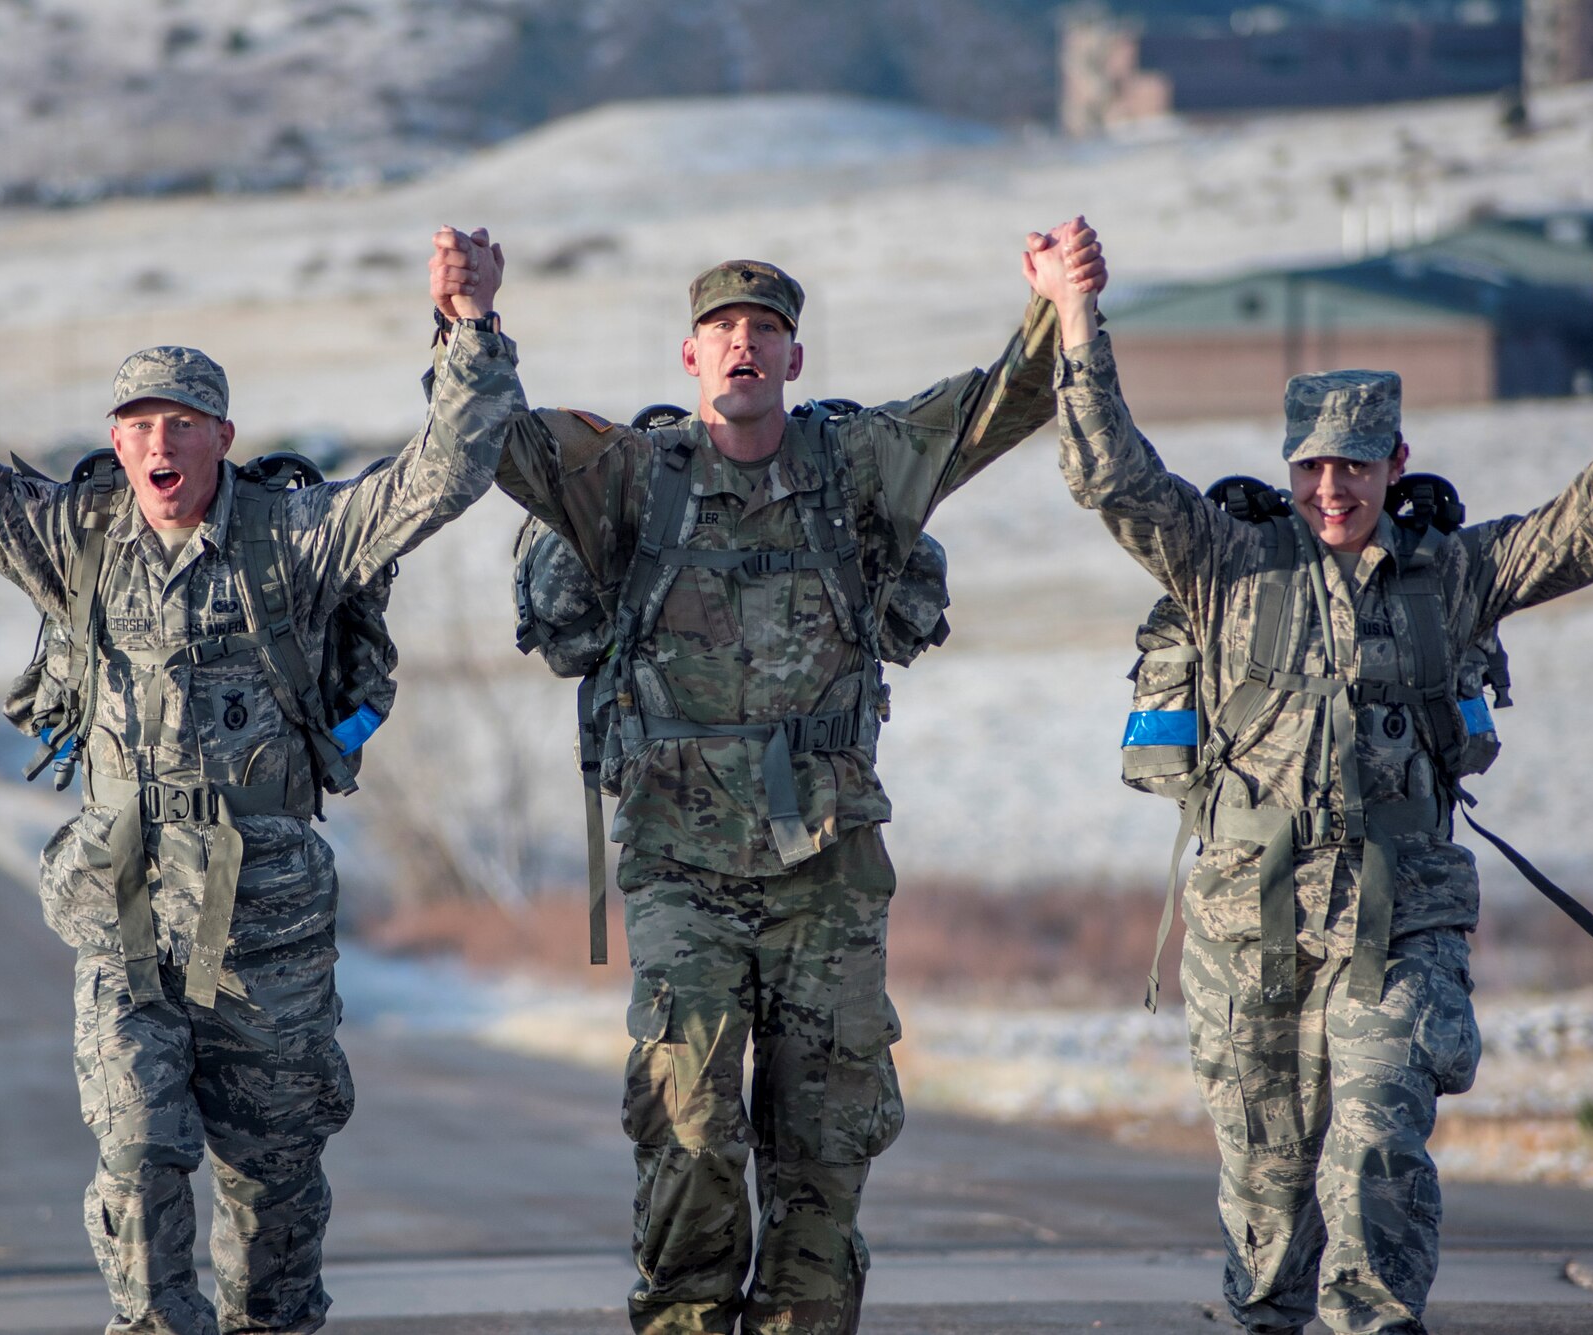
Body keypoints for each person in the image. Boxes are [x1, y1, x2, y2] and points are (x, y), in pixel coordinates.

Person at [0, 239, 525, 1335]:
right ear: (115, 441)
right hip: (125, 909)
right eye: (140, 424)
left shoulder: (293, 539)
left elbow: (441, 474)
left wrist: (468, 331)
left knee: (271, 1183)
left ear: (222, 441)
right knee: (139, 1151)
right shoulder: (76, 541)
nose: (160, 442)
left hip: (268, 920)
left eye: (183, 423)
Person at [445, 221, 1105, 1334]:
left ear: (794, 360)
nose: (742, 345)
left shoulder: (859, 469)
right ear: (689, 359)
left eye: (764, 330)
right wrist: (468, 321)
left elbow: (1003, 404)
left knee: (823, 1150)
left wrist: (1062, 303)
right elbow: (492, 442)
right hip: (677, 869)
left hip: (827, 876)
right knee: (692, 1129)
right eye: (720, 329)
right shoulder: (627, 479)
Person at [1025, 224, 1593, 1334]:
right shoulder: (1222, 558)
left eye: (1352, 464)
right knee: (1266, 1198)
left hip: (1399, 913)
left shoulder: (1452, 574)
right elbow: (1108, 472)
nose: (1329, 486)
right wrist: (1073, 314)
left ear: (1395, 463)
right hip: (1247, 923)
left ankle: (1375, 1319)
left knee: (1375, 1135)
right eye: (1309, 465)